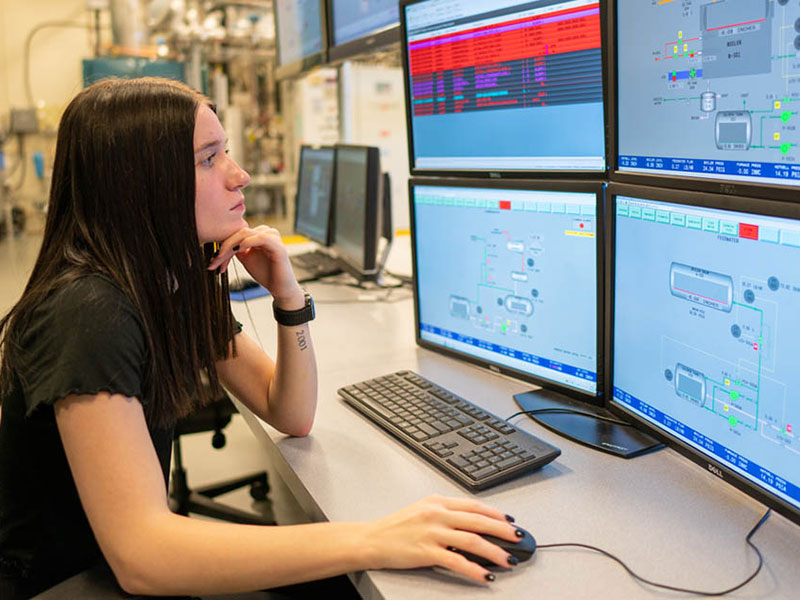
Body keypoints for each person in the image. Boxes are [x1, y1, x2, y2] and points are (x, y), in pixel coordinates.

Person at [0, 77, 522, 599]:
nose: (240, 175)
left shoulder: (170, 278)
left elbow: (290, 412)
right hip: (66, 584)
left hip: (113, 567)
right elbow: (143, 555)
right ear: (140, 184)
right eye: (209, 159)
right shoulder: (90, 312)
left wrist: (289, 300)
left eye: (225, 151)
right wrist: (374, 539)